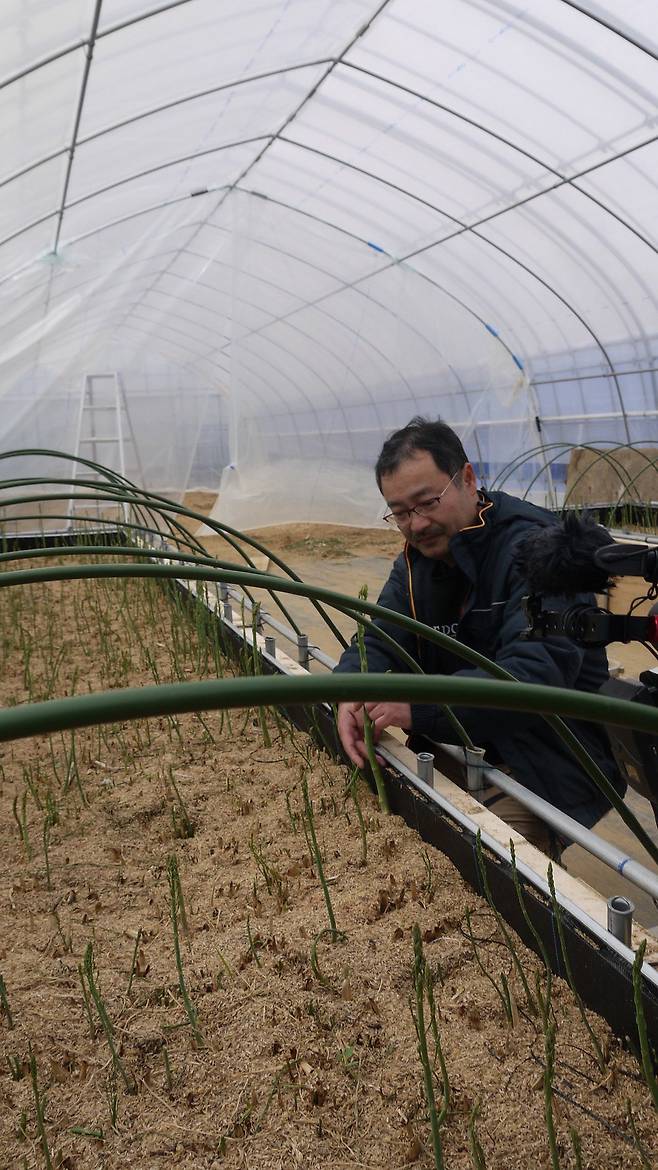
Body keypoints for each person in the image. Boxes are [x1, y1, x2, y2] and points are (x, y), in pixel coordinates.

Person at [334, 417, 625, 855]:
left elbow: (532, 677)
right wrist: (348, 692)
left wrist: (417, 707)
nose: (416, 524)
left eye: (427, 502)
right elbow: (379, 639)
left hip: (548, 755)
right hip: (466, 741)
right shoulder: (418, 562)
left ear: (468, 479)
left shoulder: (537, 550)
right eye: (399, 512)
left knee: (486, 865)